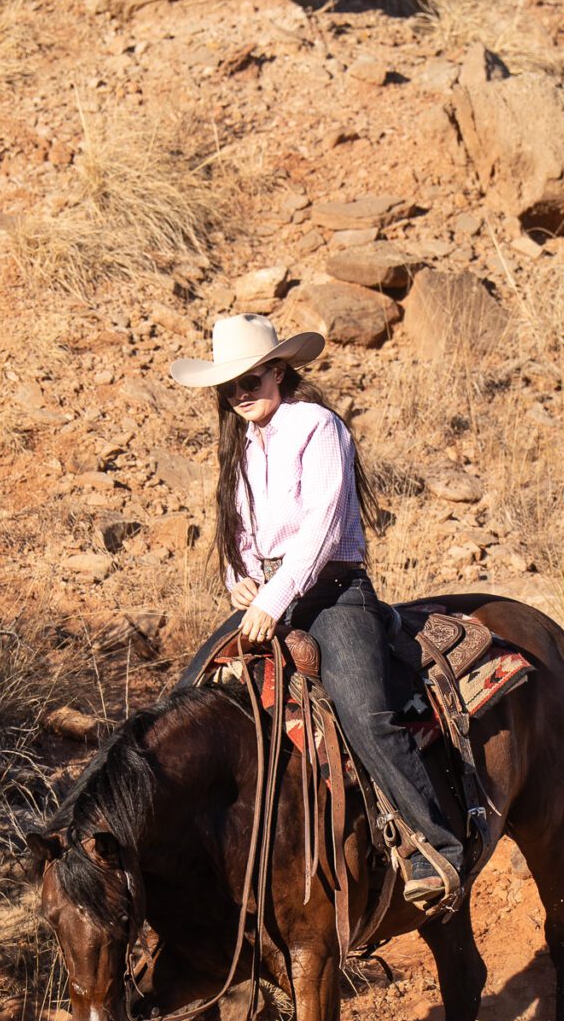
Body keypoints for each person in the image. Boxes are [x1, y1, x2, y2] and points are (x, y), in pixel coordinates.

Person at [168, 313, 464, 906]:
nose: (240, 394)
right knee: (185, 699)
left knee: (365, 711)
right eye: (230, 386)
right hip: (270, 598)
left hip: (334, 593)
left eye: (250, 380)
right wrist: (241, 582)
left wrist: (272, 600)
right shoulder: (243, 445)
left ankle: (436, 846)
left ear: (279, 371)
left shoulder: (318, 426)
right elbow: (239, 535)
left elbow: (322, 528)